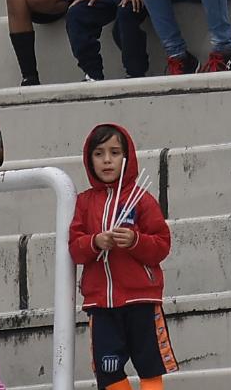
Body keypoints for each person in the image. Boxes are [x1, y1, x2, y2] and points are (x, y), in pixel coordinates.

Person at [69, 124, 176, 390]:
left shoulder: (142, 199)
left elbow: (161, 245)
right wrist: (95, 241)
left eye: (115, 152)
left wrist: (134, 241)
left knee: (150, 365)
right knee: (107, 371)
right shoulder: (83, 202)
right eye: (98, 153)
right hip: (101, 305)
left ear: (127, 158)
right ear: (88, 159)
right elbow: (74, 247)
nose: (107, 160)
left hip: (142, 299)